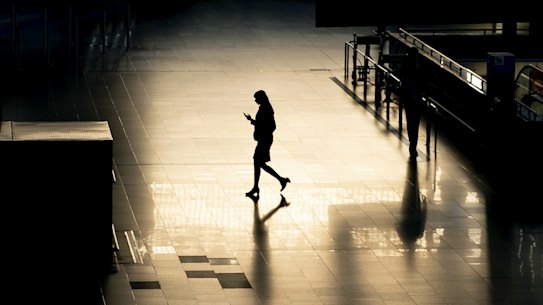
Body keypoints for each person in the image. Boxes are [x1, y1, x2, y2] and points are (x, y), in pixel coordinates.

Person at [244, 90, 290, 197]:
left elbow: (271, 126)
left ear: (261, 98)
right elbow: (262, 123)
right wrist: (252, 120)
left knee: (259, 163)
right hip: (263, 139)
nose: (255, 100)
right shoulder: (264, 107)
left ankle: (279, 180)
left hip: (264, 140)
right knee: (258, 162)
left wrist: (259, 128)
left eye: (256, 98)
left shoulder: (267, 109)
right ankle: (258, 186)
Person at [399, 47, 425, 160]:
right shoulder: (419, 68)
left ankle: (412, 144)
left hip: (410, 100)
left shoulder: (405, 67)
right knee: (415, 124)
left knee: (411, 123)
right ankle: (413, 145)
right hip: (415, 100)